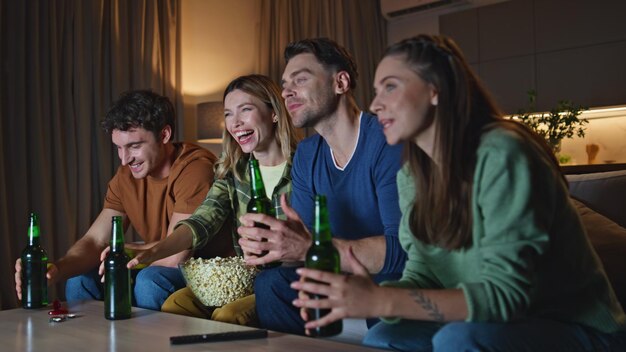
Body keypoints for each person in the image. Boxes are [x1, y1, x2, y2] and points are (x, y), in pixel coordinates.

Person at [291, 34, 626, 351]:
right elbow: (422, 274)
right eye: (376, 91)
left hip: (576, 328)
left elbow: (508, 297)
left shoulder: (502, 152)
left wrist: (382, 300)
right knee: (384, 336)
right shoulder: (412, 174)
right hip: (491, 322)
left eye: (390, 87)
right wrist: (363, 294)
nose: (376, 105)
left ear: (435, 88)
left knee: (457, 339)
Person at [236, 38, 407, 335]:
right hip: (335, 278)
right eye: (284, 84)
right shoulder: (307, 153)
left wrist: (308, 246)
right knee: (271, 285)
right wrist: (274, 245)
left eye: (300, 79)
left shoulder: (387, 141)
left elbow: (403, 251)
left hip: (391, 283)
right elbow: (303, 246)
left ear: (340, 82)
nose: (287, 91)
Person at [14, 90, 217, 311]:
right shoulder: (126, 176)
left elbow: (176, 255)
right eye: (119, 148)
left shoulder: (195, 168)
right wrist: (55, 270)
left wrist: (125, 250)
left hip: (203, 270)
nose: (124, 159)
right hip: (153, 265)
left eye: (134, 146)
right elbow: (94, 241)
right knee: (79, 280)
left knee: (150, 281)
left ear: (164, 135)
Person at [125, 74, 299, 326]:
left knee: (227, 315)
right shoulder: (232, 170)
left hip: (287, 279)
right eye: (228, 114)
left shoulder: (303, 164)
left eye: (245, 110)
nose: (235, 123)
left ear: (274, 113)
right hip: (245, 277)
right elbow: (202, 220)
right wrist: (154, 251)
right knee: (176, 304)